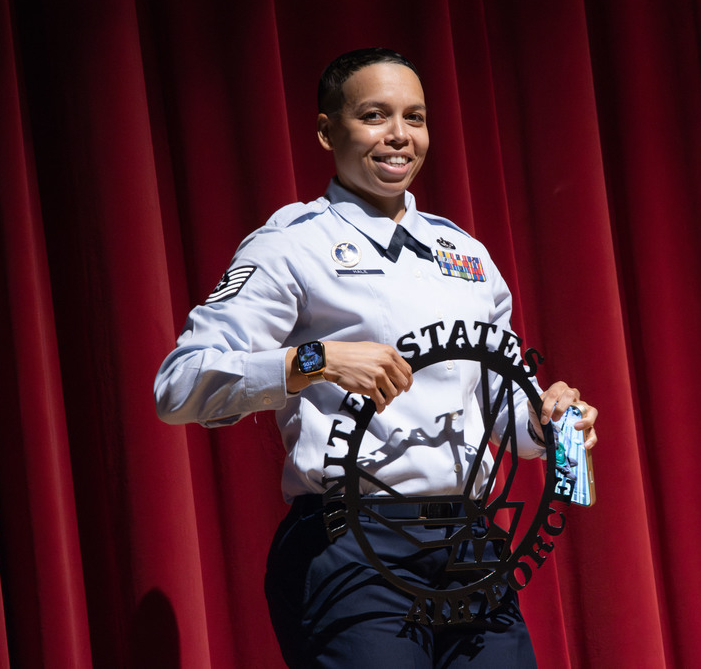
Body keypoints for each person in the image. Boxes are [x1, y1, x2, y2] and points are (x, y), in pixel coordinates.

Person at [154, 47, 598, 668]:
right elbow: (179, 388)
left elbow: (503, 412)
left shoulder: (465, 255)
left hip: (470, 544)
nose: (399, 136)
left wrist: (548, 420)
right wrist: (315, 360)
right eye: (374, 115)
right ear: (325, 129)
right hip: (353, 544)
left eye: (414, 118)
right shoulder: (292, 246)